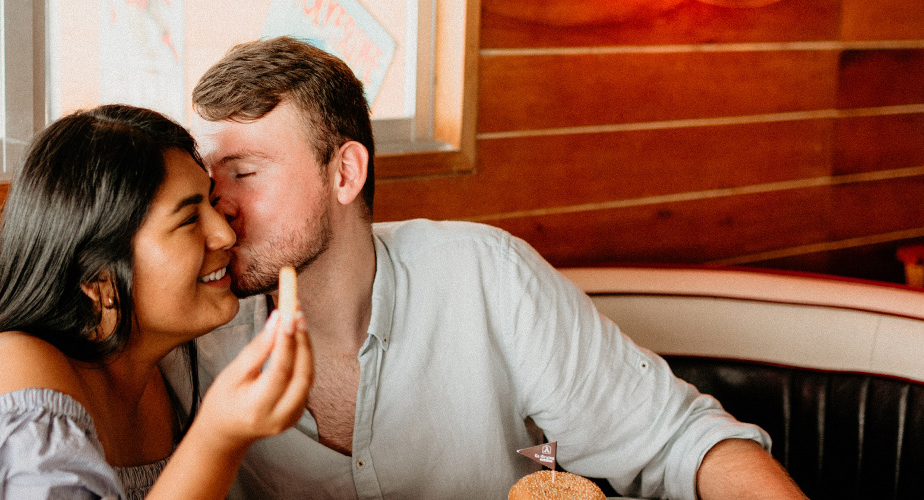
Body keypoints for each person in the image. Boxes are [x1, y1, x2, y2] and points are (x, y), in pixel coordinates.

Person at [189, 37, 807, 499]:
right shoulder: (192, 333)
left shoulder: (486, 276)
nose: (219, 209)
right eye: (207, 182)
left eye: (244, 173)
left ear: (345, 173)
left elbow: (679, 442)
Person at [0, 104, 313, 500]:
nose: (225, 234)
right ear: (96, 275)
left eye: (212, 204)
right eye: (188, 219)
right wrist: (217, 438)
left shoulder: (155, 376)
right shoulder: (14, 378)